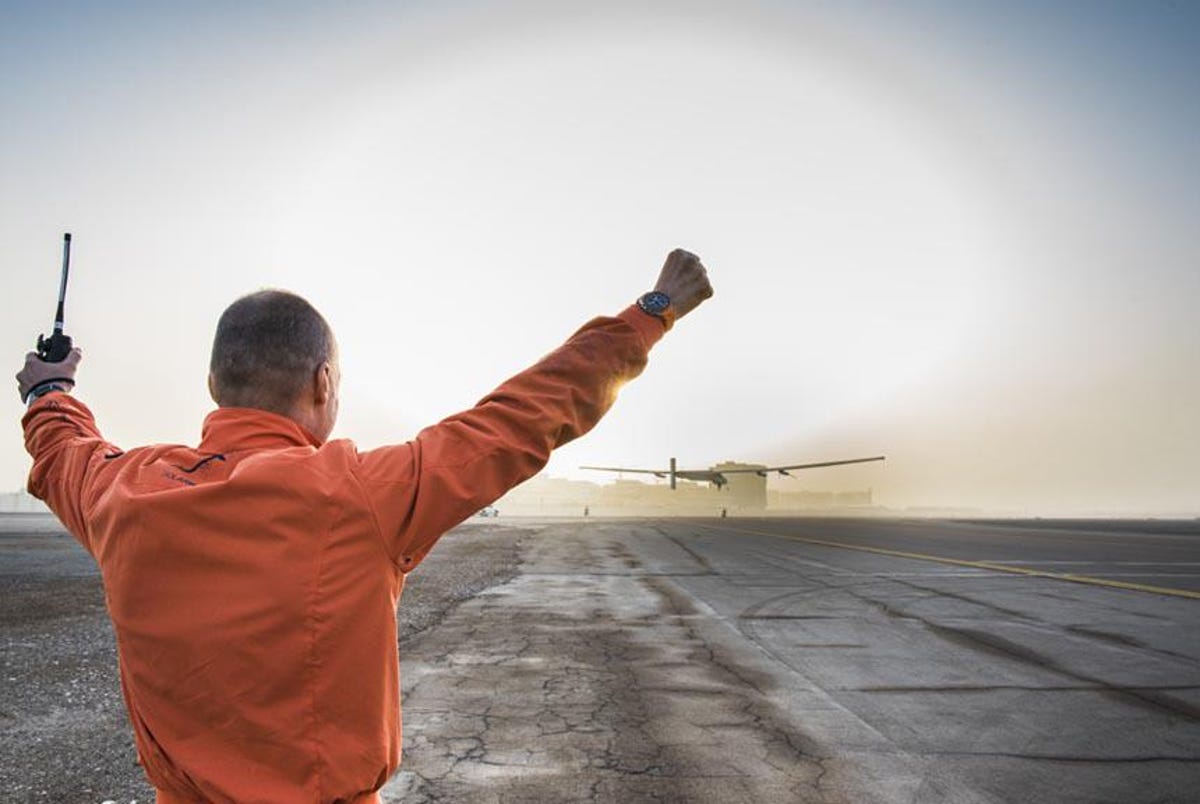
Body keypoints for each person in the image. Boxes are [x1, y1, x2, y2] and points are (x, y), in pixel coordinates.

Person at [17, 248, 713, 803]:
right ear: (323, 383)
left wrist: (50, 386)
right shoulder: (358, 492)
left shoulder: (124, 491)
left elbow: (62, 447)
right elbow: (521, 418)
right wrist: (652, 312)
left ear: (213, 384)